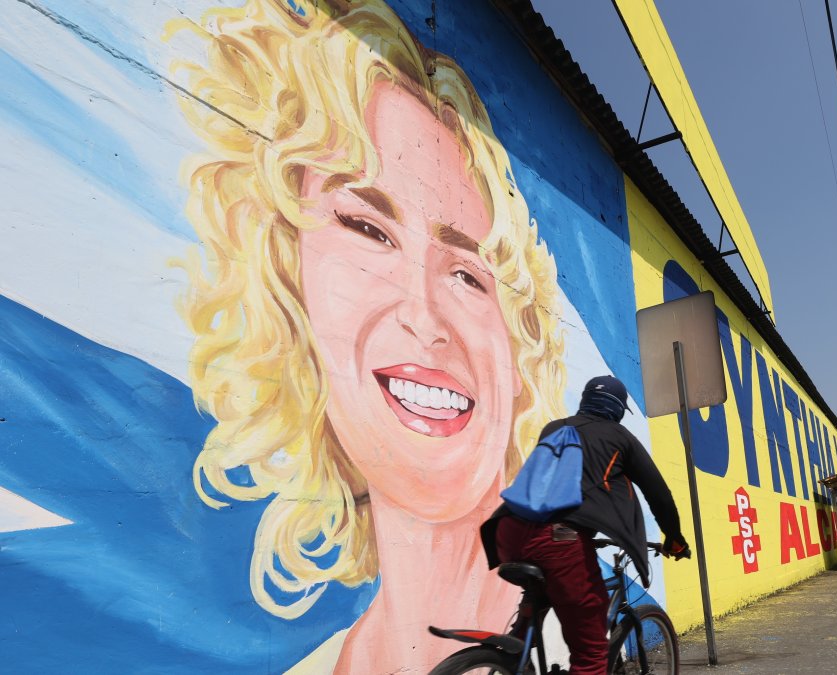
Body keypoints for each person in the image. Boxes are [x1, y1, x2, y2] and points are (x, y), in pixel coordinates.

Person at [173, 1, 567, 671]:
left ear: (518, 342)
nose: (424, 317)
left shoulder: (569, 642)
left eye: (468, 273)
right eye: (367, 229)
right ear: (287, 283)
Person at [482, 376, 690, 675]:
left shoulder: (555, 428)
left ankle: (514, 650)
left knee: (546, 592)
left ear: (585, 401)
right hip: (558, 540)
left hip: (507, 529)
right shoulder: (620, 437)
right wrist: (674, 539)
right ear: (617, 409)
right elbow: (658, 494)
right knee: (591, 652)